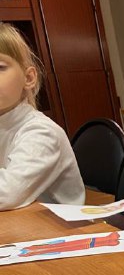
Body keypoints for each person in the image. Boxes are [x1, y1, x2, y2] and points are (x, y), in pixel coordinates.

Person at [0, 23, 84, 210]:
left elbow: (9, 192)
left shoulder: (41, 131)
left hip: (61, 226)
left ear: (29, 78)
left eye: (0, 67)